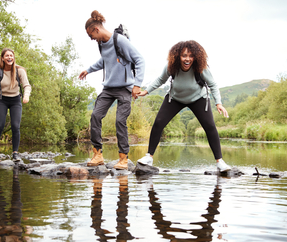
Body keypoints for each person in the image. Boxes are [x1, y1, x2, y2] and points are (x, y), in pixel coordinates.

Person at [137, 40, 231, 172]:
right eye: (184, 55)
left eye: (191, 56)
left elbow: (213, 84)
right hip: (175, 98)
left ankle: (220, 162)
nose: (187, 59)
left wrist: (218, 103)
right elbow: (160, 79)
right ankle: (149, 157)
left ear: (196, 57)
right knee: (158, 122)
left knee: (210, 126)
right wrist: (146, 91)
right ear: (177, 56)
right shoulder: (171, 66)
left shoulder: (201, 67)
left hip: (199, 98)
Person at [79, 10, 145, 170]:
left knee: (120, 121)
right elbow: (104, 60)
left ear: (96, 29)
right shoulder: (101, 44)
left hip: (124, 88)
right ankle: (98, 154)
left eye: (90, 35)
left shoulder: (120, 41)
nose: (91, 39)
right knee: (95, 116)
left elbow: (139, 60)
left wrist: (137, 85)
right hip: (108, 88)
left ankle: (123, 158)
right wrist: (89, 69)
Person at [0, 48, 31, 162]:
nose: (9, 58)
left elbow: (27, 85)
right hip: (2, 99)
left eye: (11, 56)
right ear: (2, 58)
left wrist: (26, 95)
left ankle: (15, 153)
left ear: (14, 57)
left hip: (15, 100)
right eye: (7, 56)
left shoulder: (20, 70)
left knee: (15, 126)